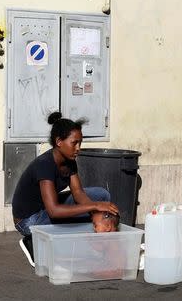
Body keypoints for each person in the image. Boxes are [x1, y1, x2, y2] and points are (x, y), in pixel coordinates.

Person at [12, 112, 119, 267]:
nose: (78, 148)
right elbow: (54, 211)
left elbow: (78, 193)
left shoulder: (69, 161)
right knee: (92, 207)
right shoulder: (45, 165)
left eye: (80, 143)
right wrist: (94, 207)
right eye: (74, 143)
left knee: (101, 195)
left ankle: (90, 238)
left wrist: (96, 214)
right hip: (28, 220)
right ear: (59, 142)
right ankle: (32, 242)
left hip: (45, 209)